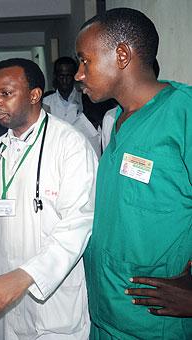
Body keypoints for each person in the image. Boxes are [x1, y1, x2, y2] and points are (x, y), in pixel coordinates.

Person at [75, 7, 192, 338]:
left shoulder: (183, 113)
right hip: (106, 315)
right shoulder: (118, 119)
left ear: (121, 54)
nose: (78, 74)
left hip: (156, 323)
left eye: (86, 61)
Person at [0, 58, 97, 339]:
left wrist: (25, 276)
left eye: (6, 93)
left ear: (35, 95)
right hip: (4, 291)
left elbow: (79, 225)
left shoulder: (69, 144)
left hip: (51, 298)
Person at [43, 56, 101, 157]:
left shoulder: (88, 101)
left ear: (75, 76)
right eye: (61, 76)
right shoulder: (45, 104)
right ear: (55, 76)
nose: (64, 80)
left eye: (68, 76)